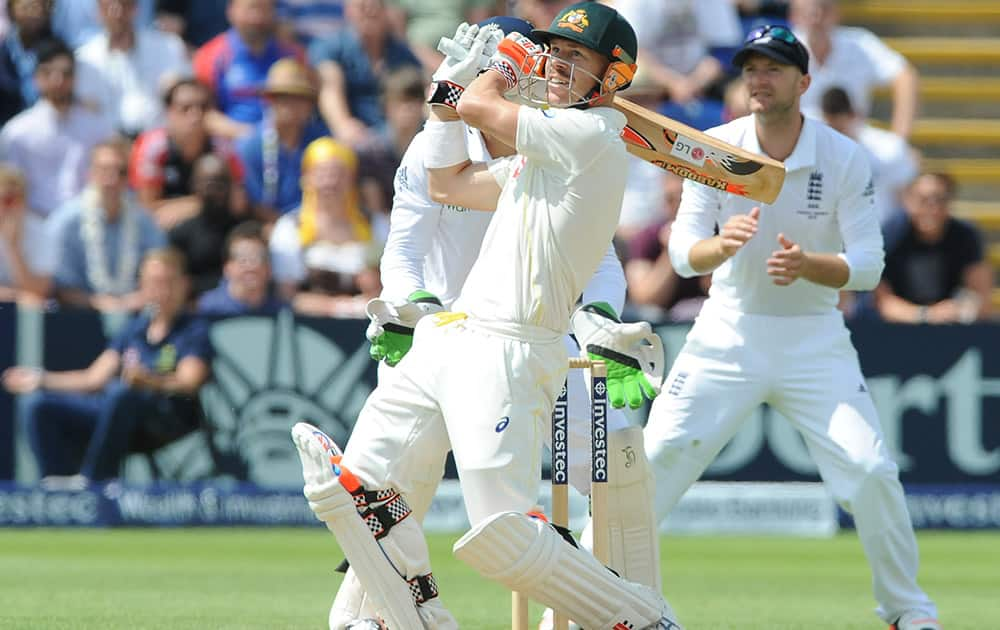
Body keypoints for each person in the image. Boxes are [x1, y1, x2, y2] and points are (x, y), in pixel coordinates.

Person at [292, 4, 681, 629]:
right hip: (452, 335)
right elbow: (447, 181)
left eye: (575, 57)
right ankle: (410, 611)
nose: (555, 62)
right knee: (358, 486)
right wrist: (448, 99)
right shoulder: (541, 156)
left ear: (612, 76)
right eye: (554, 50)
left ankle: (640, 618)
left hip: (513, 347)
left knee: (500, 537)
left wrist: (486, 75)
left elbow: (480, 107)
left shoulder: (593, 136)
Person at [640, 26, 940, 630]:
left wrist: (811, 266)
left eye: (773, 69)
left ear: (804, 83)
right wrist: (718, 247)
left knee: (871, 469)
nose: (758, 78)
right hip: (727, 330)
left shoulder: (843, 156)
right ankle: (581, 602)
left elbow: (867, 267)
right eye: (751, 67)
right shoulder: (714, 148)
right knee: (654, 459)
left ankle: (908, 611)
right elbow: (680, 254)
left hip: (813, 336)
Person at [3, 248, 213, 484]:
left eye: (168, 282)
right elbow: (93, 378)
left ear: (184, 284)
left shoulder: (193, 329)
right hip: (115, 413)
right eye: (154, 282)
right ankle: (56, 488)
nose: (161, 291)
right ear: (142, 286)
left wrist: (149, 381)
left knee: (121, 392)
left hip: (164, 416)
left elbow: (189, 382)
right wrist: (39, 379)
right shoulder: (135, 329)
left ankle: (94, 482)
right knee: (38, 403)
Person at [0, 38, 115, 217]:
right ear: (36, 77)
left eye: (65, 73)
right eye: (48, 73)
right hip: (34, 223)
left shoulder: (98, 127)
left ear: (75, 77)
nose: (58, 80)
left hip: (87, 218)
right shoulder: (16, 132)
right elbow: (12, 189)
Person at [269, 137, 382, 318]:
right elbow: (286, 294)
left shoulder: (377, 224)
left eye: (339, 173)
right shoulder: (289, 228)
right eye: (322, 173)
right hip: (311, 328)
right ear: (306, 177)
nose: (331, 181)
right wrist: (342, 308)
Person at [49, 140, 166, 313]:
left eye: (120, 172)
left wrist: (136, 299)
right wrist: (98, 303)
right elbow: (59, 287)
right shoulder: (66, 222)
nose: (112, 179)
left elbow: (161, 270)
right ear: (91, 173)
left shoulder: (144, 222)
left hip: (135, 315)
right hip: (75, 316)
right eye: (104, 170)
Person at [790, 0, 919, 139]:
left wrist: (900, 138)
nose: (817, 17)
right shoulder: (784, 48)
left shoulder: (861, 44)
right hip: (798, 140)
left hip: (854, 137)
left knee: (896, 155)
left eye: (824, 9)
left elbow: (904, 76)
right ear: (794, 15)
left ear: (836, 12)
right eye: (808, 12)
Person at [874, 172, 992, 325]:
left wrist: (963, 309)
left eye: (939, 200)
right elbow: (881, 303)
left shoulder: (965, 235)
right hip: (893, 329)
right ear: (908, 201)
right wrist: (927, 314)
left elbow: (980, 296)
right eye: (923, 200)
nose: (932, 207)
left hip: (950, 326)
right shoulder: (890, 234)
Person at [129, 78, 245, 230]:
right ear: (168, 112)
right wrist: (207, 203)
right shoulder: (152, 147)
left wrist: (193, 206)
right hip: (165, 230)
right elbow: (146, 208)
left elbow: (238, 203)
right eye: (185, 108)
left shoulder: (221, 147)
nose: (195, 115)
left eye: (203, 107)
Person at [308, 0, 421, 148]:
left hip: (392, 138)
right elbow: (329, 88)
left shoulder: (401, 53)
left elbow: (417, 92)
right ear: (348, 10)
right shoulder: (331, 47)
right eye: (362, 6)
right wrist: (343, 124)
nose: (370, 10)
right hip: (344, 139)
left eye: (376, 5)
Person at [73, 0, 191, 137]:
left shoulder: (169, 47)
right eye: (109, 6)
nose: (116, 13)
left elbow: (184, 96)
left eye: (123, 5)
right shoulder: (84, 59)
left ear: (135, 8)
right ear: (98, 12)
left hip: (159, 141)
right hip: (107, 147)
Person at [193, 0, 305, 139]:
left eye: (265, 9)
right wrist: (253, 139)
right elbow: (204, 114)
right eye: (251, 8)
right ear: (231, 10)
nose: (257, 18)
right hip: (229, 147)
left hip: (286, 146)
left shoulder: (292, 55)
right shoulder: (210, 56)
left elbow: (305, 110)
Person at [236, 58, 327, 221]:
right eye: (283, 97)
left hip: (320, 222)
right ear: (270, 101)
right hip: (272, 228)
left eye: (300, 98)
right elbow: (256, 203)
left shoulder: (322, 142)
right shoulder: (251, 146)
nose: (292, 105)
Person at [820, 86, 918, 226]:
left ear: (854, 115)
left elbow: (906, 198)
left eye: (840, 128)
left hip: (883, 234)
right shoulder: (813, 151)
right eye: (831, 128)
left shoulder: (888, 149)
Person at [168, 154, 249, 297]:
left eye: (221, 183)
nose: (215, 191)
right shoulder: (180, 235)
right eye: (208, 183)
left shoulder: (245, 231)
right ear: (194, 185)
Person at [197, 220, 288, 316]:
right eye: (242, 258)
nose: (250, 266)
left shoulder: (282, 312)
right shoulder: (206, 310)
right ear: (227, 268)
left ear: (269, 268)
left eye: (258, 257)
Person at [0, 163, 54, 302]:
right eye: (7, 199)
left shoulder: (40, 230)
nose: (13, 206)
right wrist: (15, 295)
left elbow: (39, 290)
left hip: (22, 313)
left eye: (19, 198)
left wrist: (13, 247)